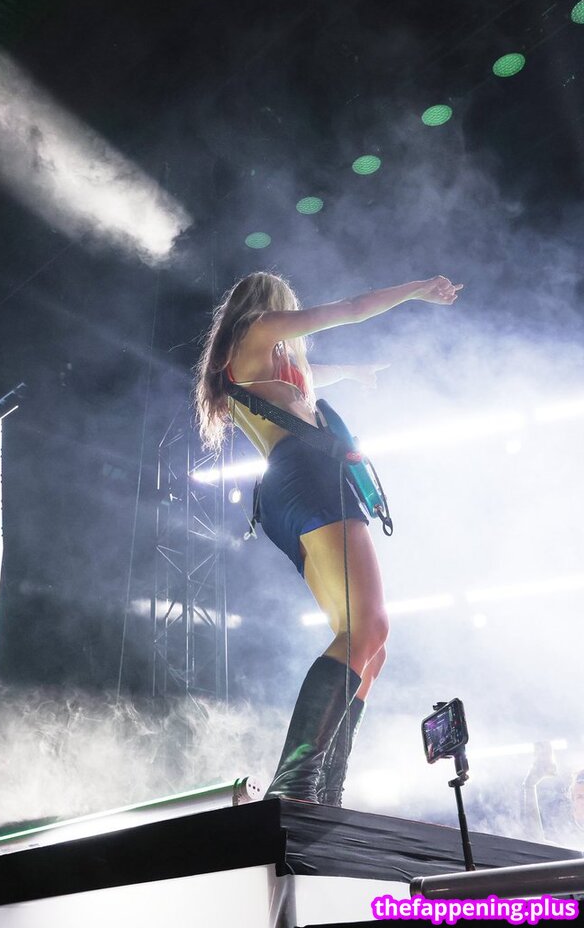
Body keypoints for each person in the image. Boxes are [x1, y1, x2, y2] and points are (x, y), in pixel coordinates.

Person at [195, 271, 462, 803]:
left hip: (287, 491)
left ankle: (323, 787)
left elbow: (311, 377)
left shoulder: (247, 364)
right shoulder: (259, 329)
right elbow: (351, 307)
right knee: (370, 628)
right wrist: (414, 289)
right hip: (310, 478)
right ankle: (298, 782)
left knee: (370, 647)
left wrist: (353, 372)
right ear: (270, 305)